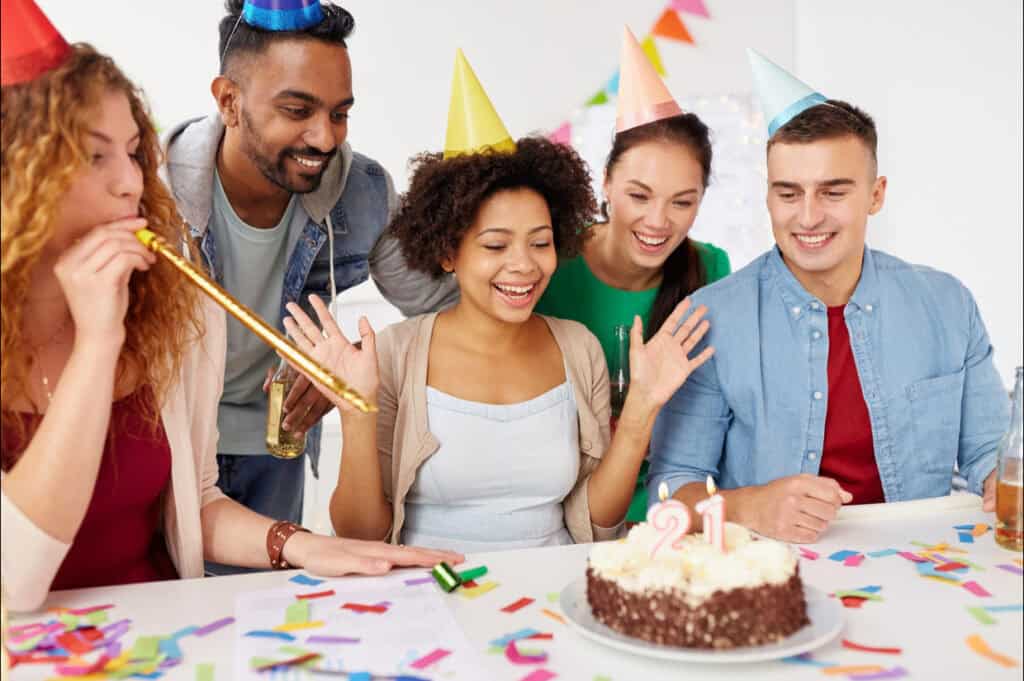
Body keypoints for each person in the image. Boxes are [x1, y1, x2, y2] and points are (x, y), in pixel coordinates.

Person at [0, 1, 460, 612]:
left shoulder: (179, 303)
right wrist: (98, 339)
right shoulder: (171, 207)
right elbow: (15, 583)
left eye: (133, 152)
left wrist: (301, 544)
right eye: (94, 156)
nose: (132, 182)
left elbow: (192, 505)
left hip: (217, 521)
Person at [280, 50, 714, 554]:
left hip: (551, 593)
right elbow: (360, 537)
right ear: (447, 252)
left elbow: (599, 523)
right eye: (494, 245)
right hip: (429, 592)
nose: (524, 265)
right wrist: (356, 413)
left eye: (540, 241)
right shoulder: (395, 354)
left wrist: (640, 407)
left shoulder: (579, 348)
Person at [646, 50, 1009, 543]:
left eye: (833, 192)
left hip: (923, 559)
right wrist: (750, 505)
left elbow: (993, 454)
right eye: (789, 193)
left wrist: (999, 480)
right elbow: (670, 492)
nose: (808, 217)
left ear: (876, 195)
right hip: (771, 567)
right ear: (768, 195)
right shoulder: (710, 318)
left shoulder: (948, 305)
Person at [162, 0, 458, 530]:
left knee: (259, 607)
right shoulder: (150, 190)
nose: (325, 138)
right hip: (165, 444)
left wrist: (350, 368)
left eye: (340, 114)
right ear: (229, 101)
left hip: (273, 450)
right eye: (298, 111)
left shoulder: (362, 192)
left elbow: (445, 313)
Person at [535, 28, 730, 522]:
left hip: (671, 507)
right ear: (606, 182)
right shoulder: (546, 264)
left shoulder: (712, 269)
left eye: (682, 202)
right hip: (563, 510)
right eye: (639, 196)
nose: (659, 222)